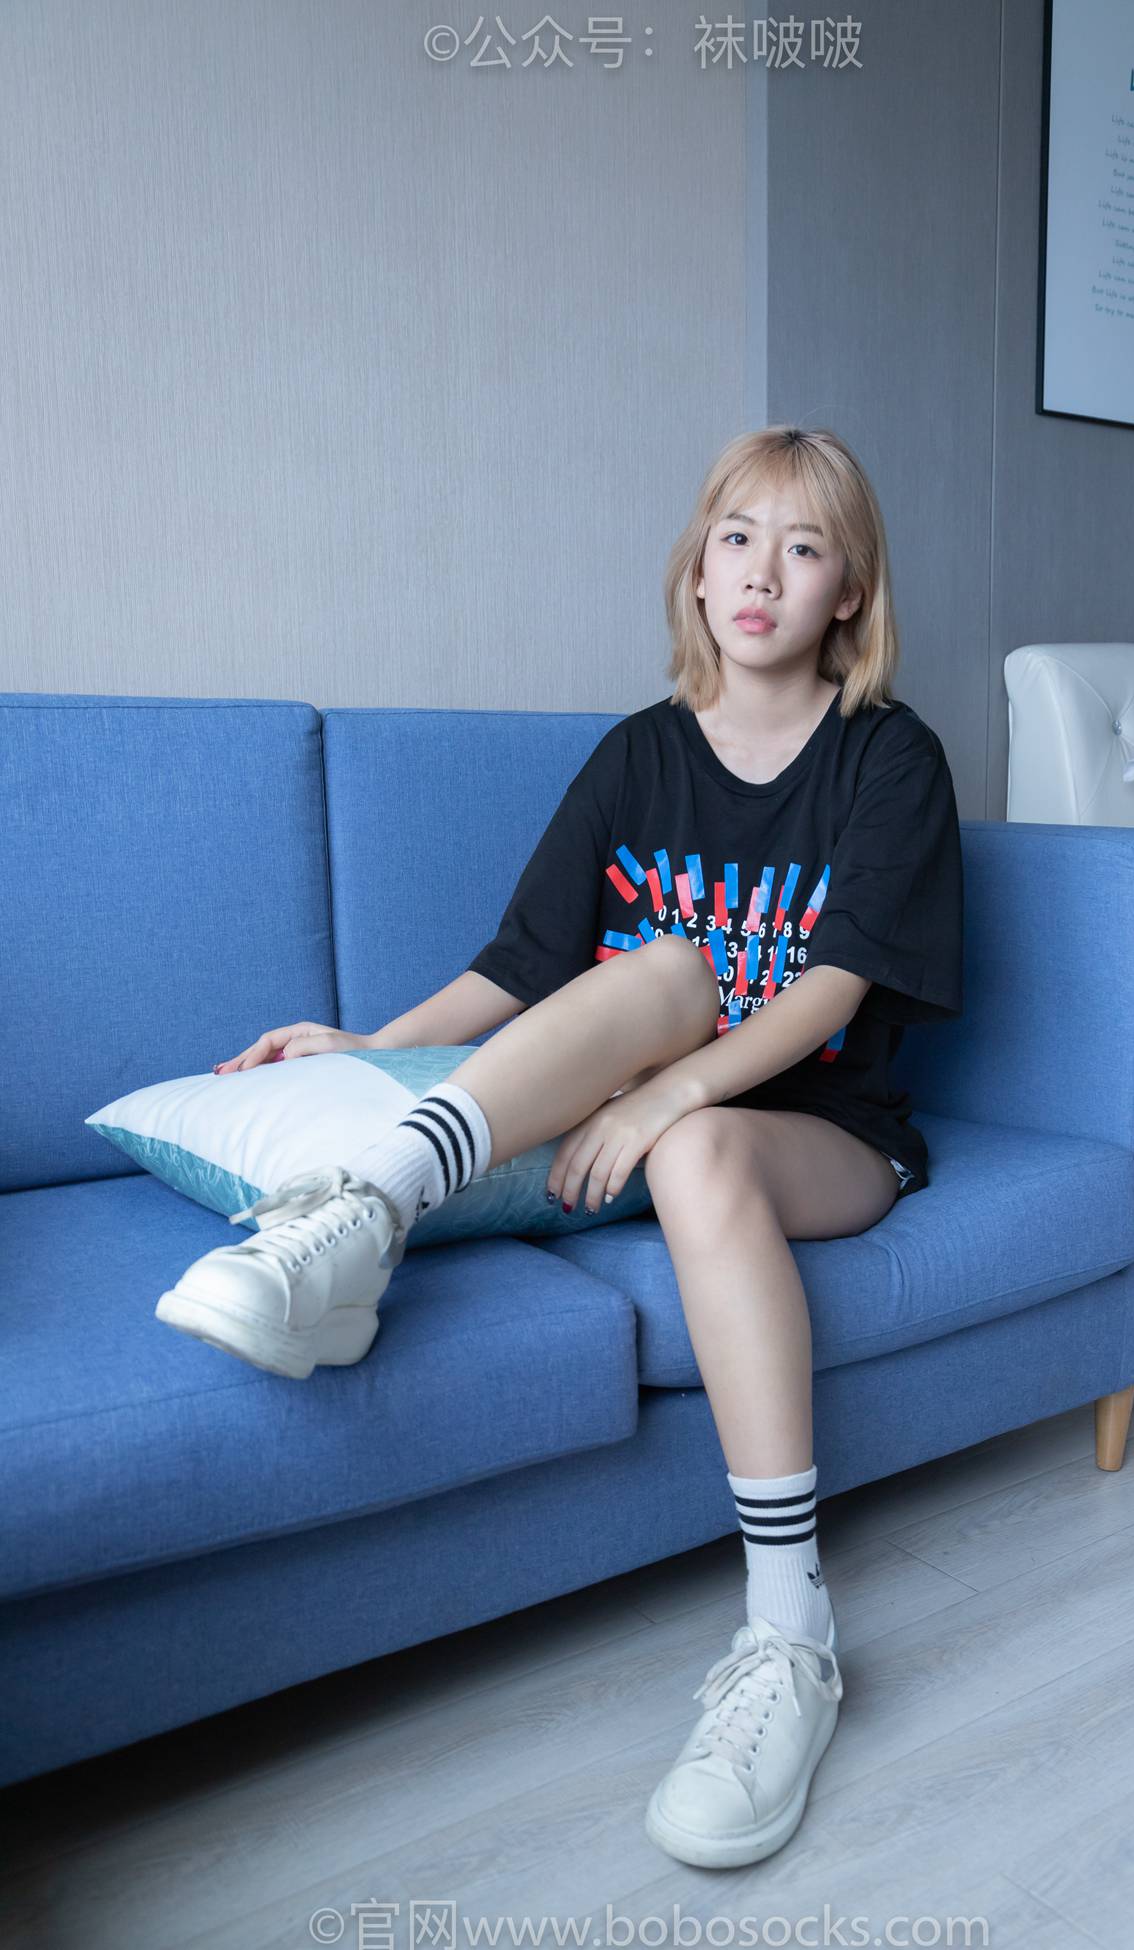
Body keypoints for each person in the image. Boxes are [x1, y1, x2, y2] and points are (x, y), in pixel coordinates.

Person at [155, 423, 963, 1869]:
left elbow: (837, 986)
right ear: (697, 570)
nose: (761, 572)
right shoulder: (638, 753)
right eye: (736, 538)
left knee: (699, 1128)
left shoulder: (888, 756)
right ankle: (368, 1206)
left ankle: (789, 1639)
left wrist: (664, 1101)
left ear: (849, 590)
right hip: (658, 1100)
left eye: (802, 547)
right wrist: (368, 1045)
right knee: (664, 972)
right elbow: (525, 964)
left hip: (826, 1132)